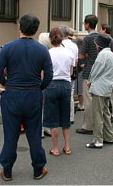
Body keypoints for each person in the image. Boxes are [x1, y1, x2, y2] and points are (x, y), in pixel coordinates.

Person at [0, 14, 52, 181]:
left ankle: (7, 170)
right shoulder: (42, 50)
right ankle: (38, 169)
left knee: (10, 133)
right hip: (33, 94)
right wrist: (39, 88)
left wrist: (7, 84)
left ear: (20, 27)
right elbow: (49, 75)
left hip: (11, 94)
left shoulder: (7, 47)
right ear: (35, 30)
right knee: (34, 133)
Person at [44, 27, 75, 156]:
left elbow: (43, 73)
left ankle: (55, 148)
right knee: (65, 117)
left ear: (51, 39)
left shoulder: (48, 53)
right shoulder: (69, 53)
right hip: (66, 85)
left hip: (52, 84)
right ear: (62, 38)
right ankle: (67, 147)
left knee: (53, 119)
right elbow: (71, 71)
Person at [85, 34, 113, 149]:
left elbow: (95, 70)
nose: (95, 45)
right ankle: (108, 137)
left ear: (99, 44)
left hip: (99, 88)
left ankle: (98, 140)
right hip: (107, 87)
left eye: (96, 43)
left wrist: (89, 81)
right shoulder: (111, 54)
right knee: (106, 113)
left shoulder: (102, 55)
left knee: (98, 114)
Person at [76, 14, 100, 135]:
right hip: (100, 70)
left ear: (87, 24)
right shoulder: (101, 36)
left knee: (88, 99)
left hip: (89, 70)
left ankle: (88, 126)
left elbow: (80, 55)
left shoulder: (88, 39)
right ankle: (98, 124)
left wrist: (87, 55)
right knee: (98, 99)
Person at [60, 26, 78, 125]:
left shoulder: (60, 44)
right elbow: (76, 60)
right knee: (70, 95)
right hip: (72, 72)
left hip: (61, 73)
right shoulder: (74, 45)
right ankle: (70, 117)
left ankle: (61, 116)